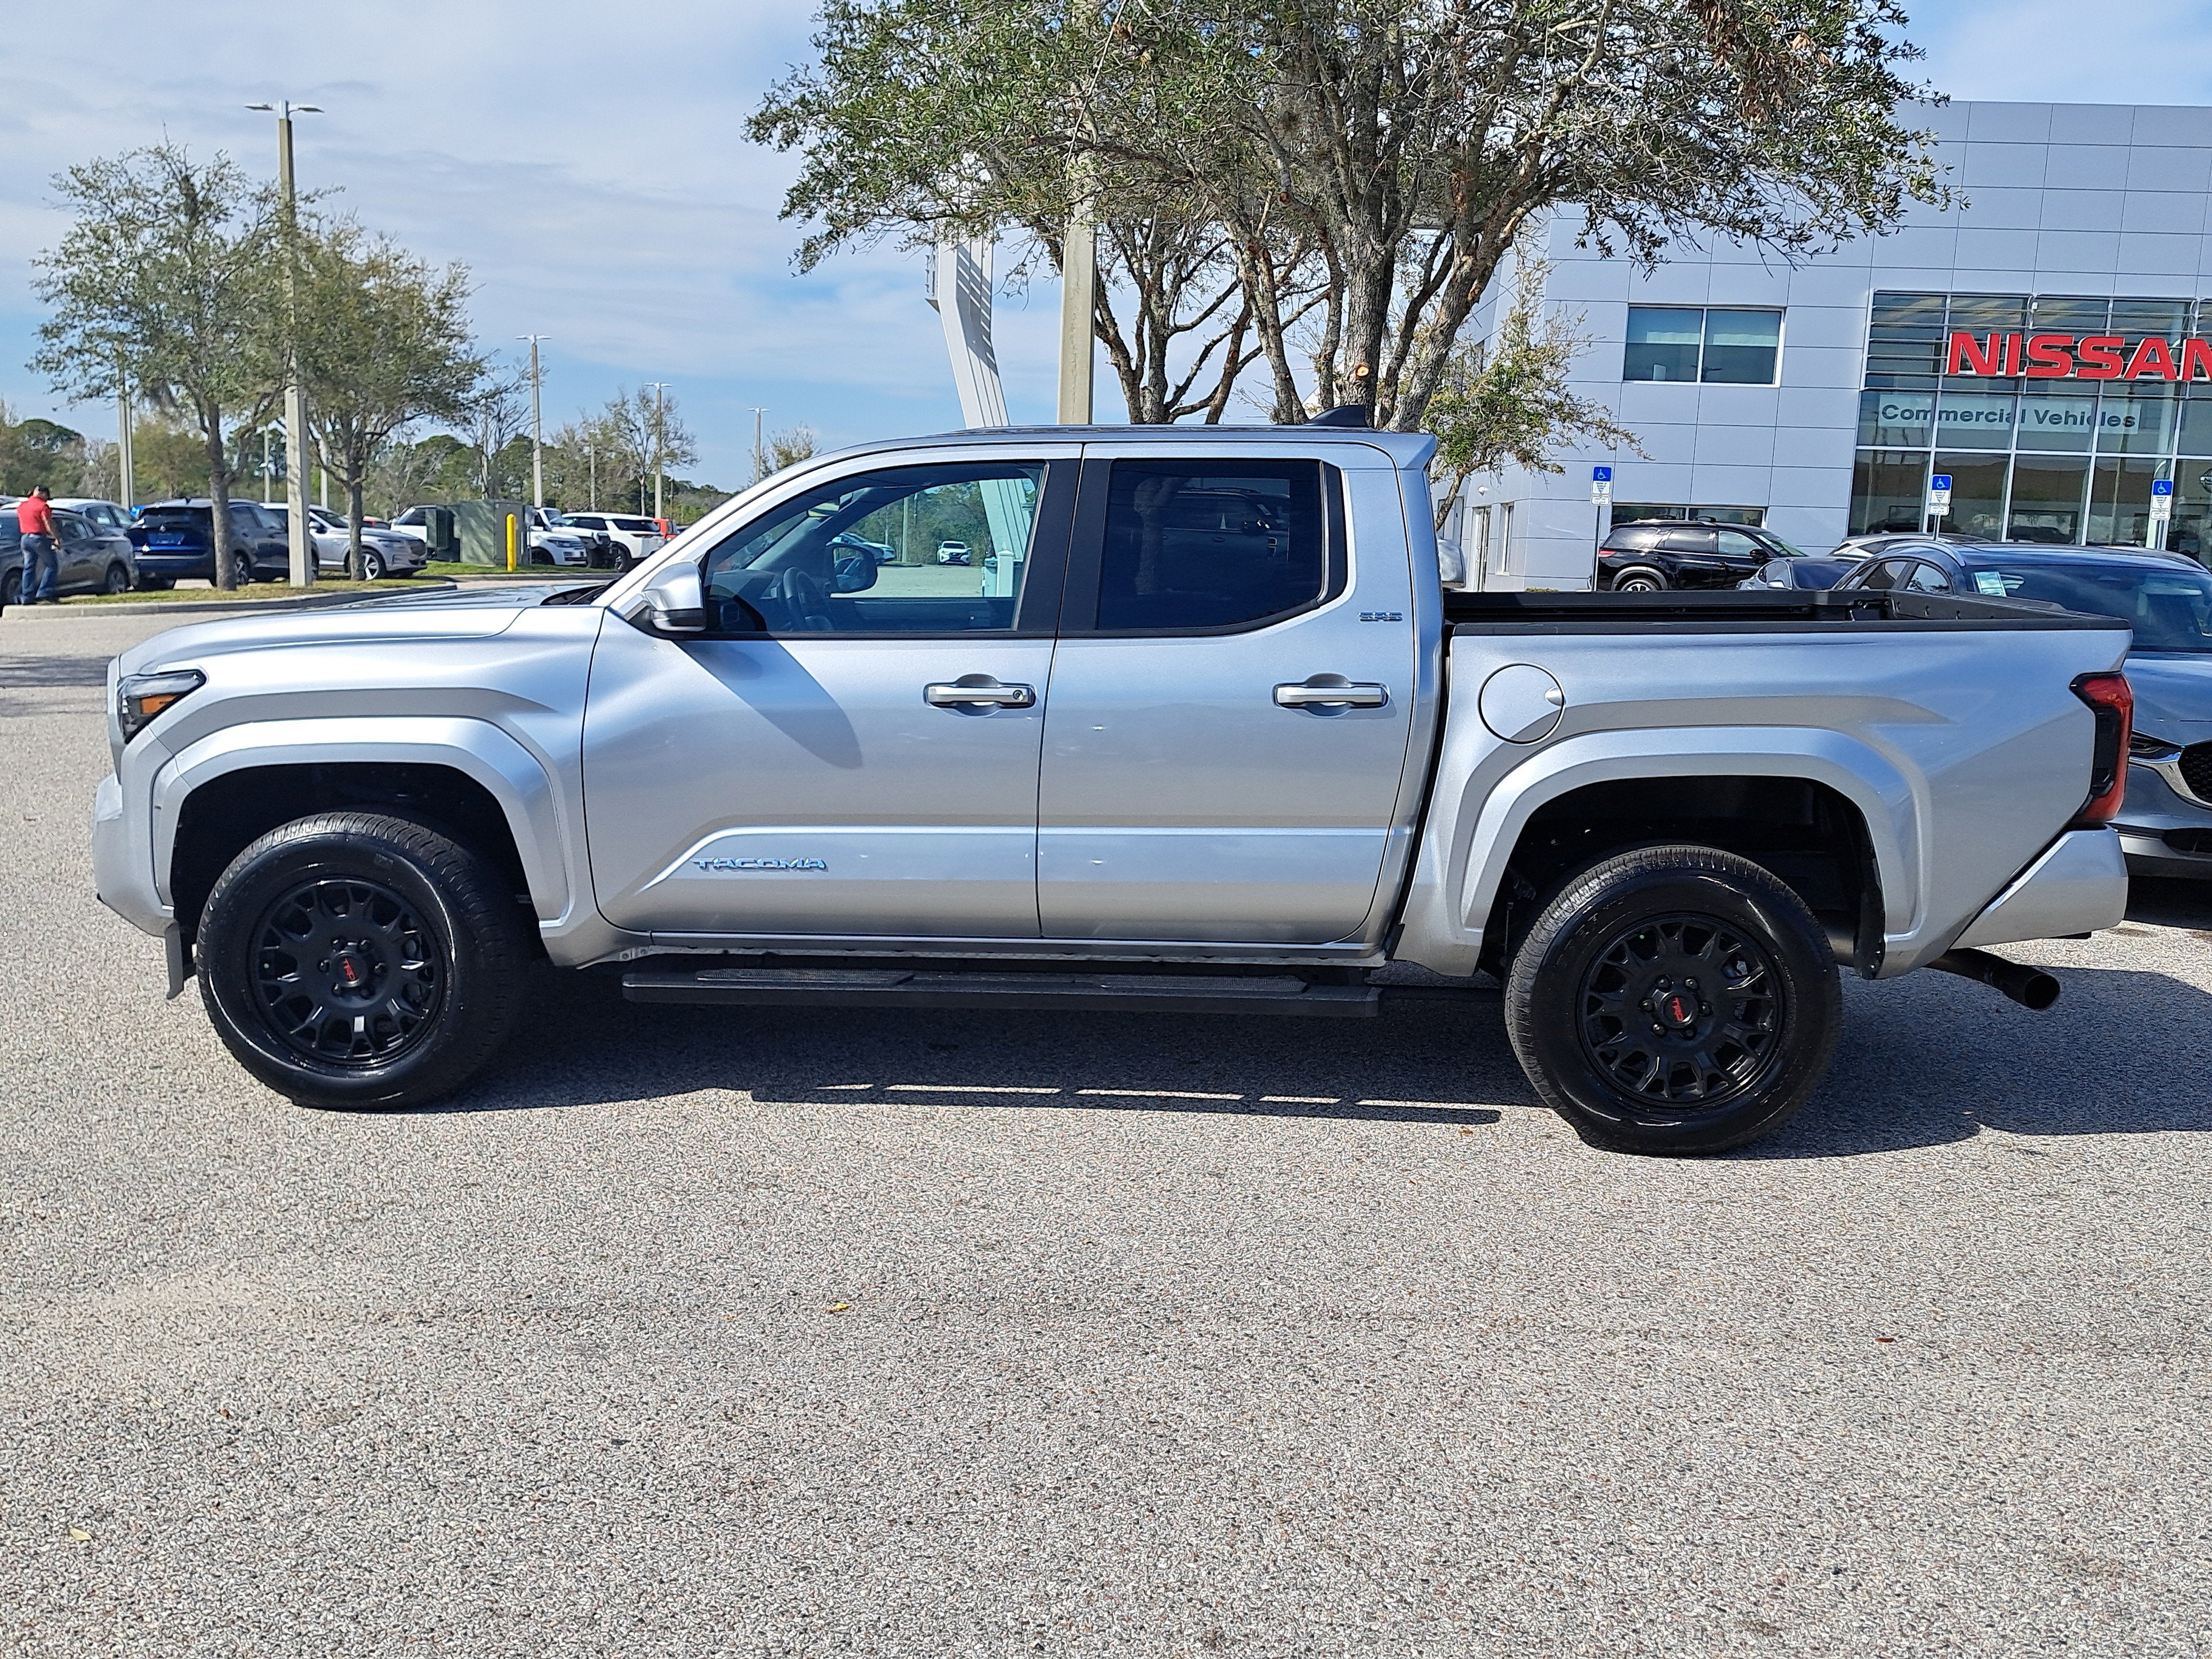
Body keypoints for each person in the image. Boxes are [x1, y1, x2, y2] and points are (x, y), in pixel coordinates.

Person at [17, 486, 59, 604]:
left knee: (29, 567)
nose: (47, 500)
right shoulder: (42, 506)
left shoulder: (22, 506)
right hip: (38, 539)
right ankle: (44, 593)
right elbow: (48, 523)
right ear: (43, 493)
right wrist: (57, 538)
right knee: (52, 565)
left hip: (25, 538)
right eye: (47, 497)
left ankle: (27, 597)